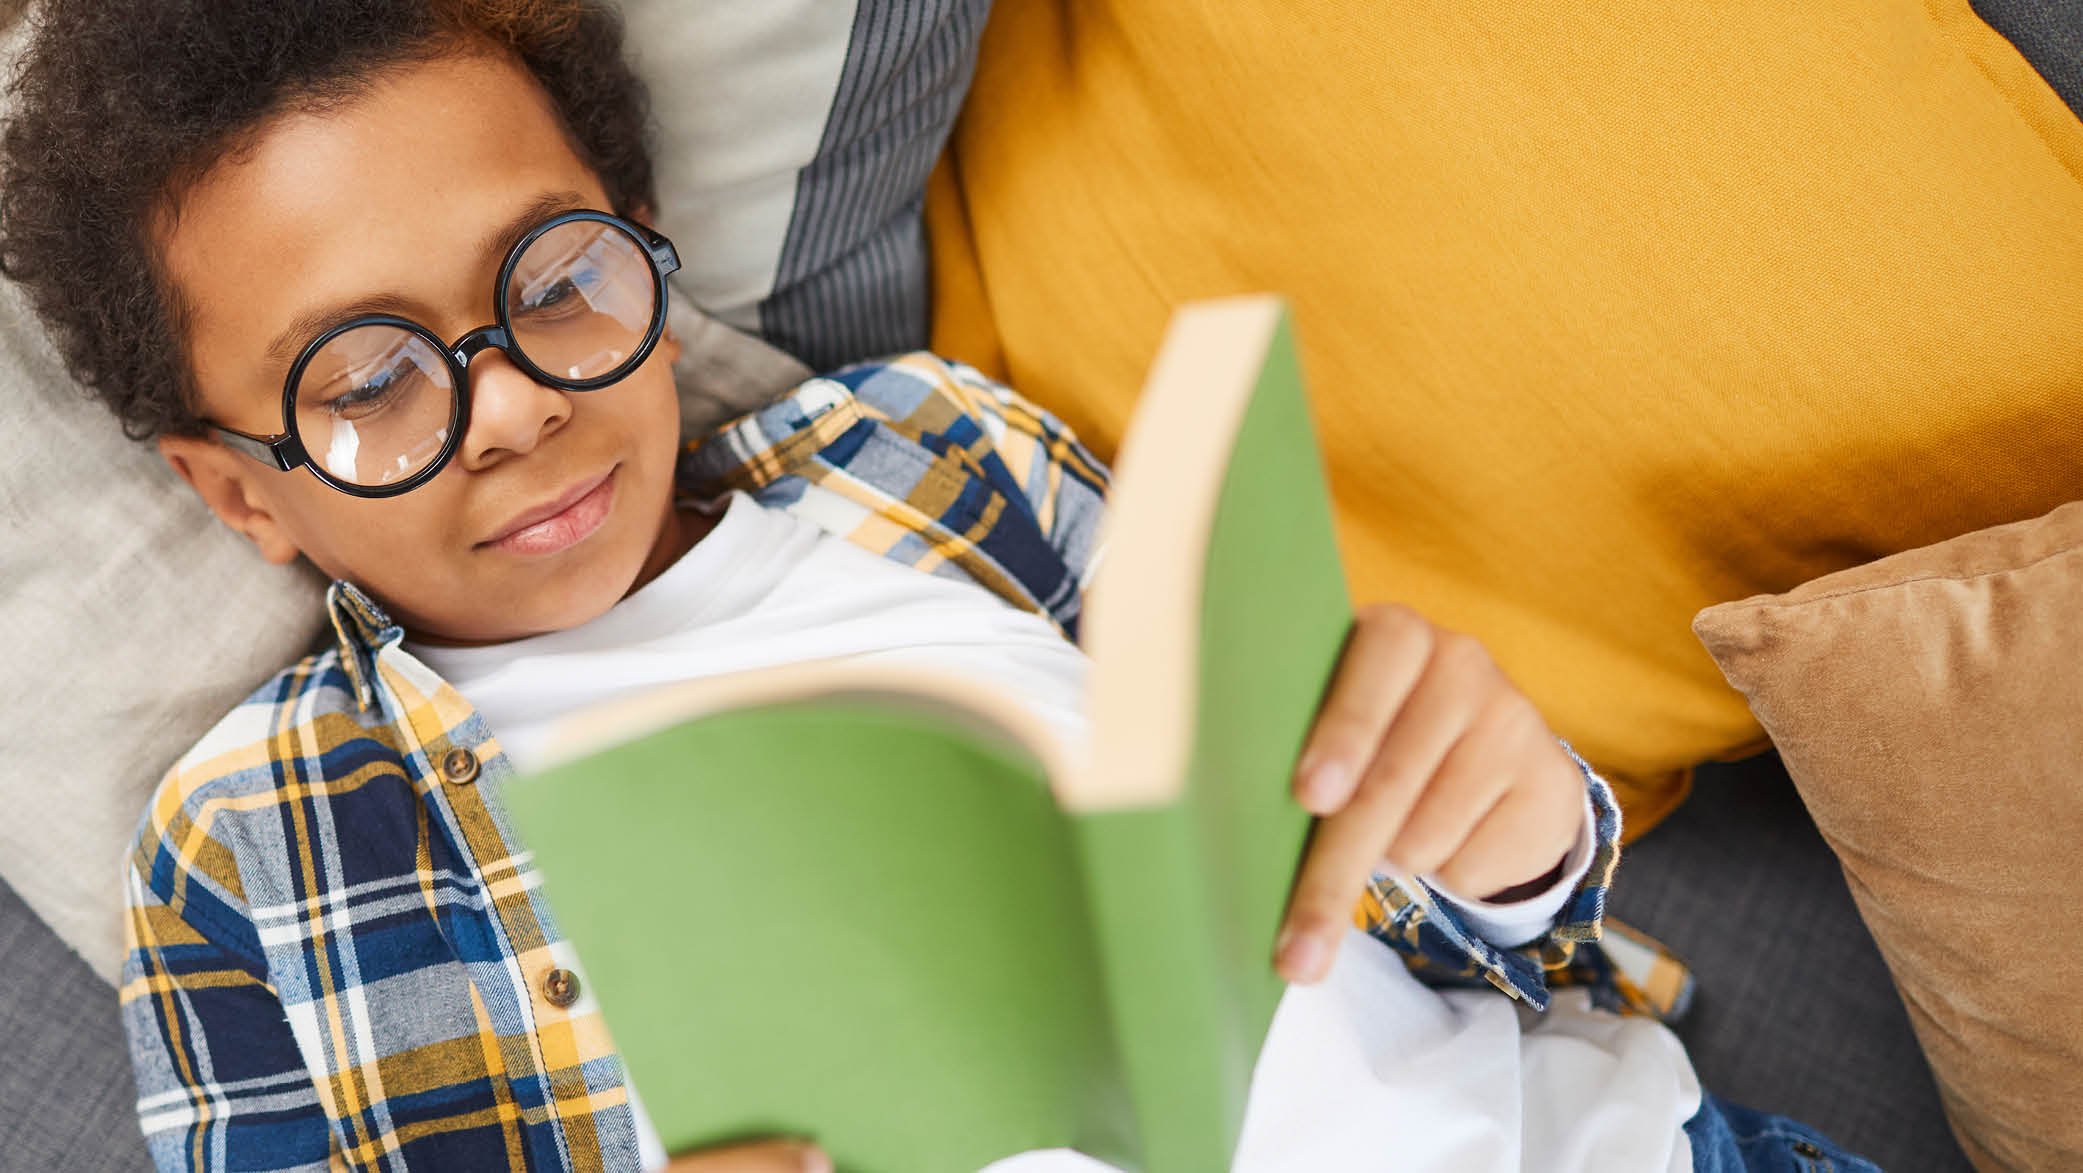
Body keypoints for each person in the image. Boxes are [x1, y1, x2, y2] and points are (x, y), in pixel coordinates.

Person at [0, 1, 1872, 1170]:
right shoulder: (243, 849)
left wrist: (1518, 823)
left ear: (644, 247)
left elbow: (1476, 933)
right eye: (369, 380)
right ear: (241, 494)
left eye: (556, 278)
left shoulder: (941, 452)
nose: (507, 408)